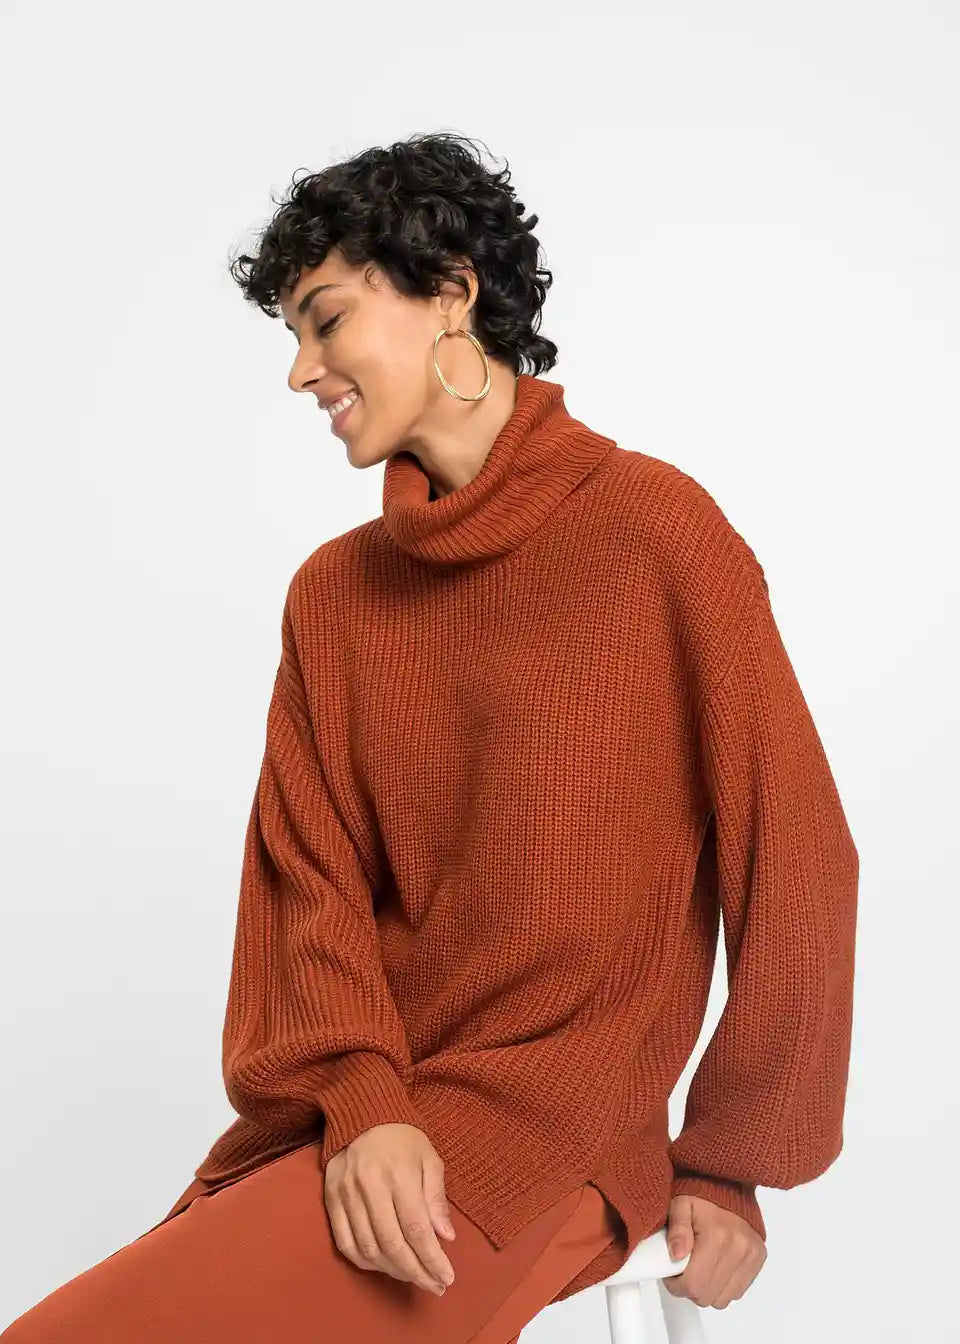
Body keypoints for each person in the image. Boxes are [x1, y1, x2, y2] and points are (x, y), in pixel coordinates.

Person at [2, 131, 859, 1341]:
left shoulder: (657, 535)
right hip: (366, 1132)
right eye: (292, 335)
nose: (300, 371)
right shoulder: (334, 596)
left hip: (552, 1137)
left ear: (451, 292)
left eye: (326, 321)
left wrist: (729, 1162)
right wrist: (364, 1103)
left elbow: (799, 858)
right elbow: (309, 888)